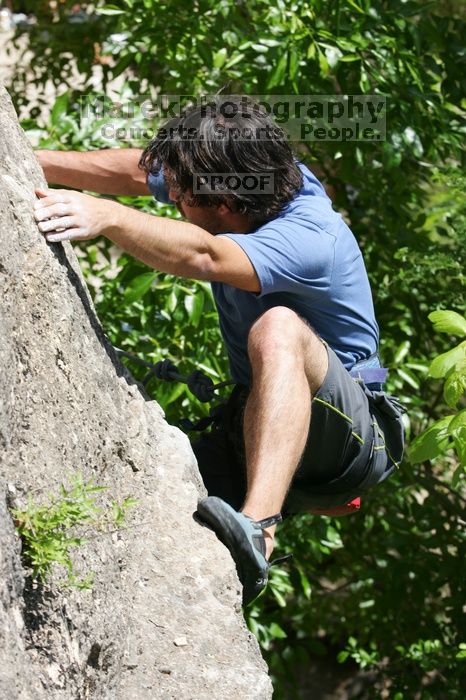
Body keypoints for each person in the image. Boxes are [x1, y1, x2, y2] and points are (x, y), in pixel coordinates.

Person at [34, 97, 405, 606]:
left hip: (350, 438)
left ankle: (259, 530)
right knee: (127, 503)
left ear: (225, 205)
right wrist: (31, 158)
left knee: (278, 328)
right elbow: (139, 172)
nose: (172, 197)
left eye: (183, 196)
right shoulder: (251, 175)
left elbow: (207, 254)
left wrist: (107, 217)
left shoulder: (310, 238)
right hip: (260, 421)